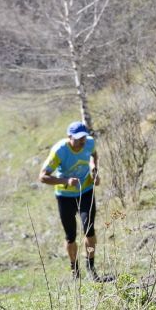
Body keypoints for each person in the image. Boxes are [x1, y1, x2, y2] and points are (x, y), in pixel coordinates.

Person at [38, 121, 111, 282]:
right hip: (65, 196)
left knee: (89, 230)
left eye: (83, 137)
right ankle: (75, 271)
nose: (81, 141)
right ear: (69, 137)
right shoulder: (60, 151)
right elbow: (42, 177)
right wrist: (66, 181)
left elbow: (93, 154)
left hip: (85, 192)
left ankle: (91, 268)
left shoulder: (89, 143)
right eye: (78, 138)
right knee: (70, 236)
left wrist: (94, 170)